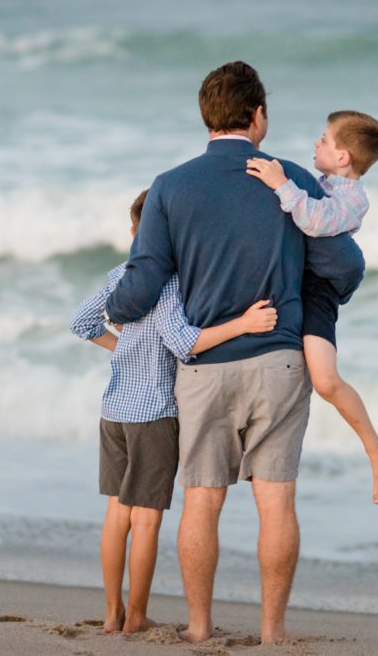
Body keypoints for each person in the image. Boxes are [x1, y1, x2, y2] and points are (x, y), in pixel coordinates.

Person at [105, 61, 366, 644]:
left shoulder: (171, 186)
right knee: (276, 502)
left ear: (207, 117)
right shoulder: (289, 176)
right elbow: (344, 264)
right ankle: (272, 632)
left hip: (205, 367)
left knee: (202, 500)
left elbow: (145, 279)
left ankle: (199, 628)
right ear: (258, 117)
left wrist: (117, 311)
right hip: (280, 361)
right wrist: (314, 294)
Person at [69, 189, 278, 635]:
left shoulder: (118, 275)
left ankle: (111, 614)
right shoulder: (169, 285)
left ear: (132, 234)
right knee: (145, 517)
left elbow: (82, 322)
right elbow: (182, 342)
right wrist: (242, 324)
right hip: (154, 414)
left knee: (115, 514)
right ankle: (137, 617)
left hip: (114, 409)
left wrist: (120, 348)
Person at [245, 111, 378, 505]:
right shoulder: (320, 183)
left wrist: (281, 184)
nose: (316, 143)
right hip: (293, 279)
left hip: (319, 291)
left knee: (326, 381)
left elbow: (315, 220)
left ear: (344, 157)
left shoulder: (352, 199)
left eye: (325, 139)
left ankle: (375, 448)